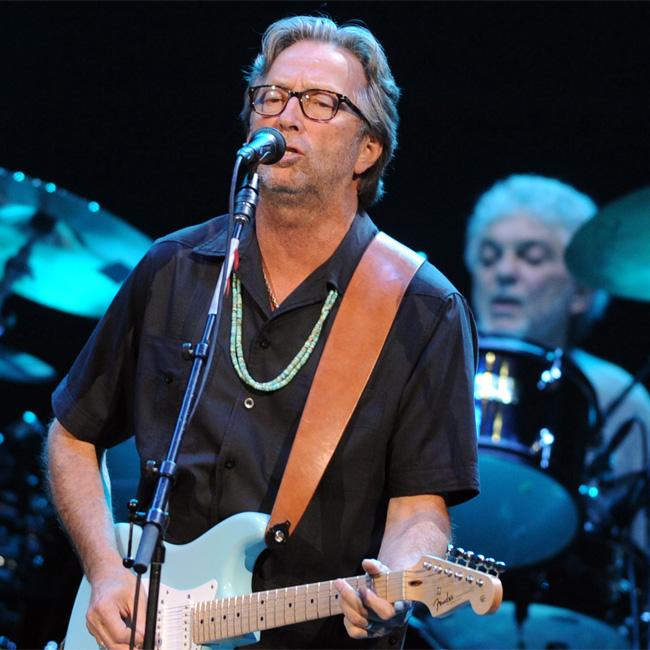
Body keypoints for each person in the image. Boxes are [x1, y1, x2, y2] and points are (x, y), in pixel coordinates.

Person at [46, 16, 479, 649]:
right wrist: (106, 572)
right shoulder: (175, 267)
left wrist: (397, 585)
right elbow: (73, 434)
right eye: (271, 96)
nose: (288, 115)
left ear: (367, 150)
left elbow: (420, 507)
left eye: (321, 102)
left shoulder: (422, 308)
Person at [465, 173, 650, 548]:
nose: (504, 272)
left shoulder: (617, 395)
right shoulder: (430, 369)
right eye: (489, 256)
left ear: (581, 292)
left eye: (532, 257)